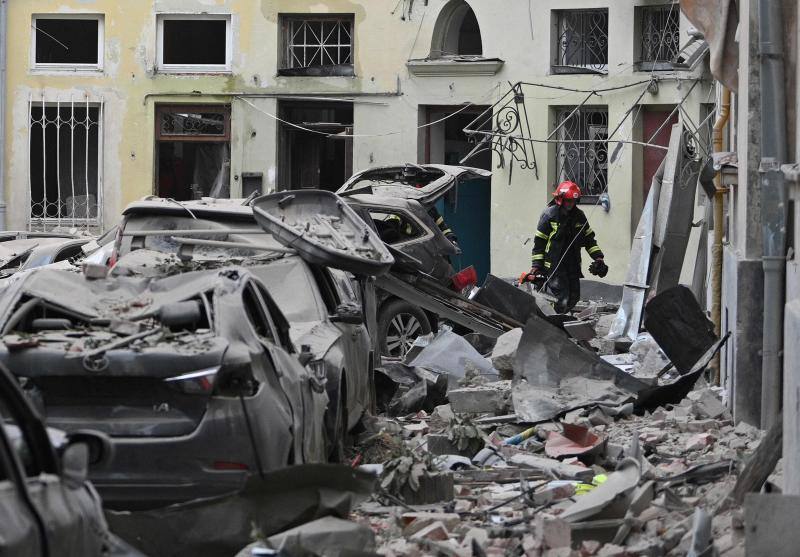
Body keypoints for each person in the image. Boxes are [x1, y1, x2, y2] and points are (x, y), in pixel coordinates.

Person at [519, 180, 608, 313]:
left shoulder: (580, 216)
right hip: (554, 264)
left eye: (573, 201)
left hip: (573, 263)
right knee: (562, 298)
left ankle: (557, 317)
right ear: (560, 199)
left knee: (574, 297)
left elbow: (589, 240)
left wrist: (599, 258)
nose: (570, 204)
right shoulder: (549, 215)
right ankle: (552, 322)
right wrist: (536, 265)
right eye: (568, 201)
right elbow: (539, 243)